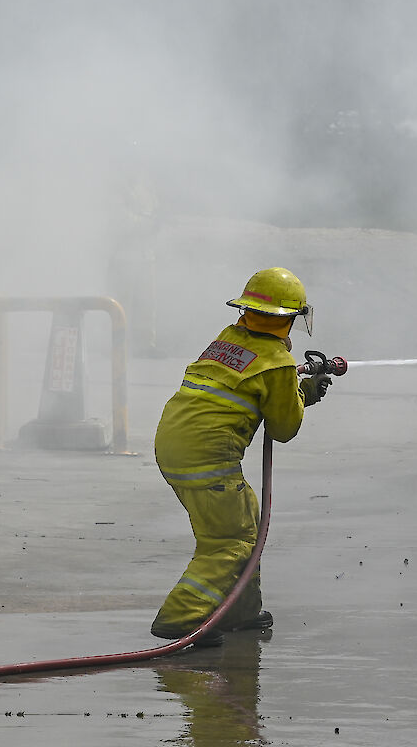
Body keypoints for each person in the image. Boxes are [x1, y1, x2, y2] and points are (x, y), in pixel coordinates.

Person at [150, 267, 330, 647]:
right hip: (206, 456)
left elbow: (249, 381)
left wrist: (292, 387)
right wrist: (304, 394)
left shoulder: (227, 339)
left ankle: (239, 610)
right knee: (230, 540)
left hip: (173, 441)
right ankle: (180, 617)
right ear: (290, 319)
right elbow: (284, 428)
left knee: (246, 519)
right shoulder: (278, 364)